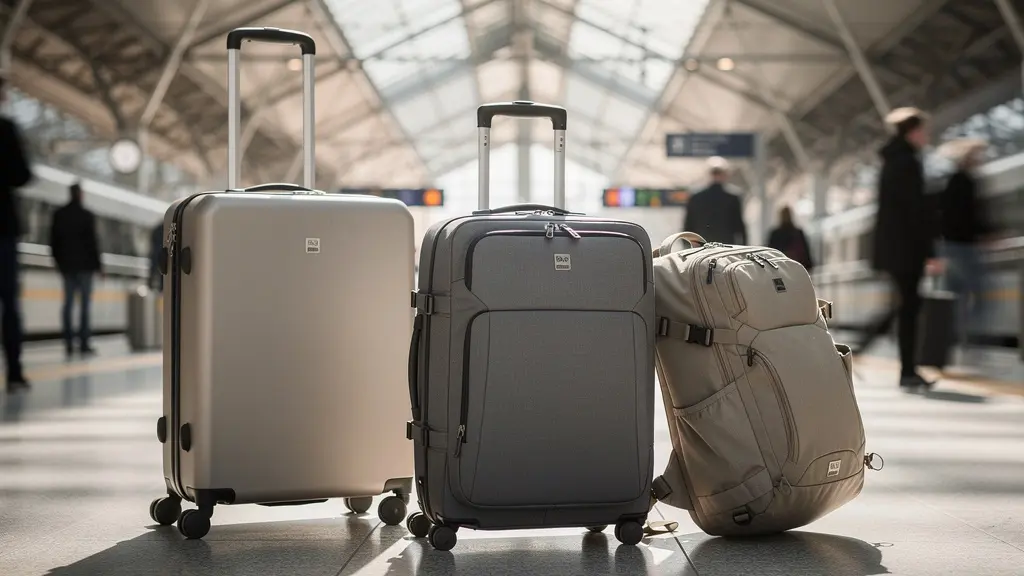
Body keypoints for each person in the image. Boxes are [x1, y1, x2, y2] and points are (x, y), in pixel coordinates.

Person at [857, 107, 940, 389]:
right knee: (909, 308)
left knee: (904, 305)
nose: (927, 137)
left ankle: (866, 347)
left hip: (894, 247)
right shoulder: (908, 162)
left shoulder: (891, 160)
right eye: (924, 131)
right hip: (907, 248)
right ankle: (907, 371)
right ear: (913, 131)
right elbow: (916, 211)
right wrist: (930, 250)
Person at [938, 138, 992, 366]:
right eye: (977, 155)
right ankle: (970, 341)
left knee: (956, 297)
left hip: (952, 248)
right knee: (981, 295)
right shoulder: (963, 182)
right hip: (962, 248)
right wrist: (986, 233)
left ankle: (953, 343)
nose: (980, 160)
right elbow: (966, 218)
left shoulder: (953, 181)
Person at [0, 74, 32, 392]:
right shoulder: (6, 129)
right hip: (3, 230)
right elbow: (22, 175)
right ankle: (14, 373)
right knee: (9, 303)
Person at [49, 182, 102, 358]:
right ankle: (84, 343)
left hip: (67, 267)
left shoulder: (59, 215)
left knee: (68, 305)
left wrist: (58, 263)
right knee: (84, 306)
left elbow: (53, 242)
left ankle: (68, 343)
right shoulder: (87, 216)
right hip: (85, 268)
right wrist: (99, 267)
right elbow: (93, 243)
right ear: (80, 194)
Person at [683, 157, 747, 245]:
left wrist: (686, 247)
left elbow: (688, 225)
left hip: (702, 247)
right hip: (726, 247)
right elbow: (739, 227)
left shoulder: (696, 197)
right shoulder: (732, 197)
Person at [767, 206, 814, 271]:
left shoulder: (775, 234)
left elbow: (770, 253)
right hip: (796, 268)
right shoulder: (798, 233)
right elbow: (806, 255)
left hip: (779, 269)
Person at [149, 222, 163, 292]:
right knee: (163, 273)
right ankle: (161, 289)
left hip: (156, 253)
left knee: (153, 270)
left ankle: (150, 286)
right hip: (162, 254)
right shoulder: (166, 228)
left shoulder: (157, 229)